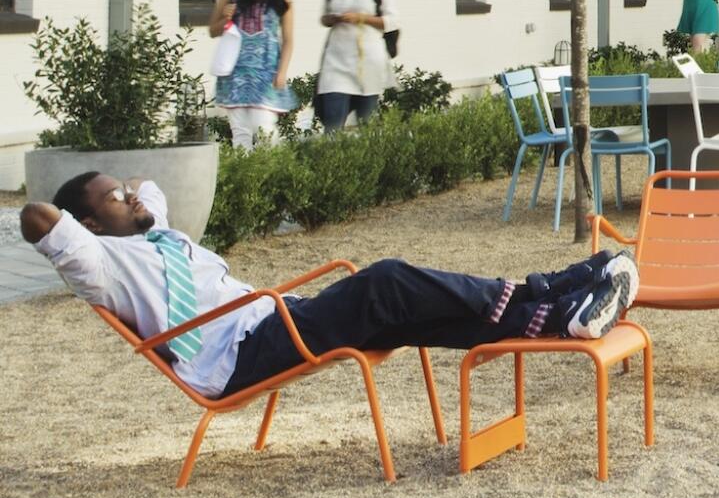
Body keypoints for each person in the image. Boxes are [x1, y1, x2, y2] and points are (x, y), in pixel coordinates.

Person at [22, 172, 641, 402]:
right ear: (91, 223)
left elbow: (148, 187)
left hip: (274, 318)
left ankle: (558, 313)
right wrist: (85, 218)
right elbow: (37, 219)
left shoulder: (159, 236)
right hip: (239, 354)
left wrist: (129, 198)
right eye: (114, 198)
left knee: (404, 313)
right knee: (386, 280)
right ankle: (549, 293)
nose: (132, 197)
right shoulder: (101, 263)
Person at [209, 0, 294, 149]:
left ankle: (272, 175)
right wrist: (225, 18)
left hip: (266, 72)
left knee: (265, 129)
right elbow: (213, 30)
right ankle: (244, 177)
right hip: (235, 72)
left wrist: (282, 72)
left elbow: (289, 40)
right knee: (240, 132)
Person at [313, 0, 397, 132]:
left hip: (369, 61)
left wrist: (362, 18)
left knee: (365, 119)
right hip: (337, 60)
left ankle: (361, 158)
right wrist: (333, 18)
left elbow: (392, 21)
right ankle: (331, 156)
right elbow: (323, 17)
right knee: (333, 117)